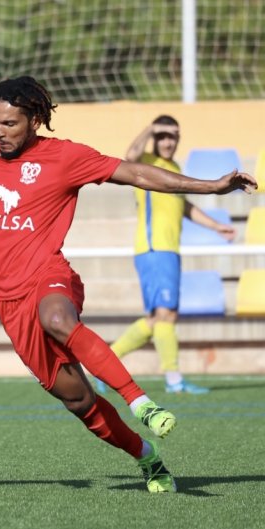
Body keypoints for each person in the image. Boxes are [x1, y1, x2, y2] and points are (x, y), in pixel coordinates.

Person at [0, 68, 257, 493]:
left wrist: (210, 187)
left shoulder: (64, 157)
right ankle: (146, 456)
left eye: (10, 124)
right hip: (9, 304)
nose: (0, 132)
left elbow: (136, 173)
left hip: (49, 275)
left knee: (58, 317)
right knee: (78, 400)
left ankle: (141, 402)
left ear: (33, 122)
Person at [98, 116, 235, 395]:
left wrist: (215, 225)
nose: (168, 141)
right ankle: (174, 380)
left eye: (173, 136)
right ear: (155, 138)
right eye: (163, 136)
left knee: (157, 319)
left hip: (168, 251)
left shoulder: (174, 168)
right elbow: (130, 155)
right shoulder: (146, 162)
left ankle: (104, 365)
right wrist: (150, 128)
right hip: (154, 249)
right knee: (166, 315)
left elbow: (184, 206)